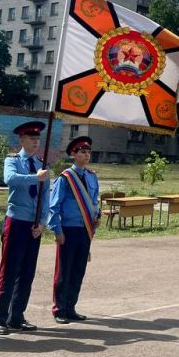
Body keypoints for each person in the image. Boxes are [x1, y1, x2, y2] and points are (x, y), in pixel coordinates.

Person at [0, 120, 51, 334]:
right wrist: (33, 178)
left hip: (33, 226)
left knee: (27, 273)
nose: (36, 142)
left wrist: (43, 223)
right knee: (9, 271)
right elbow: (10, 179)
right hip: (16, 221)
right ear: (22, 139)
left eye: (38, 139)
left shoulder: (42, 165)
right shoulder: (13, 161)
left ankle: (16, 316)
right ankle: (1, 318)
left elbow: (46, 196)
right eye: (31, 138)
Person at [49, 136, 100, 324]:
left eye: (88, 152)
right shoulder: (65, 178)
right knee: (64, 271)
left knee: (78, 270)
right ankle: (59, 309)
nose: (86, 155)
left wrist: (98, 215)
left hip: (85, 229)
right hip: (68, 229)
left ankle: (71, 307)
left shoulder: (92, 176)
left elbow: (94, 202)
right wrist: (57, 230)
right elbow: (54, 206)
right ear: (73, 154)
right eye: (82, 152)